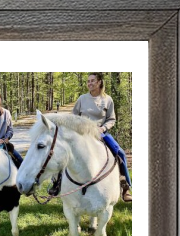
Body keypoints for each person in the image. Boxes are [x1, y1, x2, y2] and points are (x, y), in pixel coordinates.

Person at [49, 73, 132, 202]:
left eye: (92, 81)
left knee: (120, 153)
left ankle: (125, 186)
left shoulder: (108, 100)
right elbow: (74, 117)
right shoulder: (82, 98)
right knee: (64, 151)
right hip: (81, 134)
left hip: (99, 133)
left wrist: (103, 128)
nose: (89, 83)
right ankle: (57, 183)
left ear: (99, 82)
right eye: (88, 81)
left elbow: (111, 119)